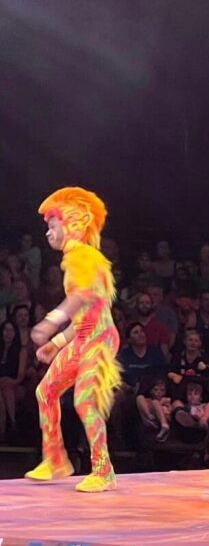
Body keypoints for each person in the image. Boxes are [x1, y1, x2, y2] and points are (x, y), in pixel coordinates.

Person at [26, 187, 120, 492]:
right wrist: (57, 343)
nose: (48, 233)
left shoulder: (83, 256)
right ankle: (55, 460)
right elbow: (83, 317)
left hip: (100, 340)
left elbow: (80, 299)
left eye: (52, 226)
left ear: (73, 225)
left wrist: (48, 324)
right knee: (46, 391)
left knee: (84, 400)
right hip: (83, 337)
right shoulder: (76, 258)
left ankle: (103, 470)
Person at [0, 319, 27, 440]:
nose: (8, 333)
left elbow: (20, 375)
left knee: (6, 387)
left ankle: (4, 430)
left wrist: (11, 382)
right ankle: (12, 424)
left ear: (15, 333)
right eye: (5, 330)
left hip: (15, 385)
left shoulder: (21, 350)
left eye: (11, 330)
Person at [118, 322, 167, 388]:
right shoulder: (124, 356)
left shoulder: (156, 353)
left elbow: (162, 375)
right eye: (136, 332)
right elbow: (119, 379)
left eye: (142, 331)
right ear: (129, 339)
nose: (140, 334)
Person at [136, 371, 172, 441]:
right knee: (139, 397)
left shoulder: (165, 399)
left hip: (161, 418)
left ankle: (164, 425)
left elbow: (170, 410)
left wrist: (161, 404)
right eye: (156, 389)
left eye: (162, 390)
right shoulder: (148, 400)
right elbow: (140, 405)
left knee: (155, 402)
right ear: (151, 391)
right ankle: (148, 417)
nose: (158, 392)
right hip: (149, 418)